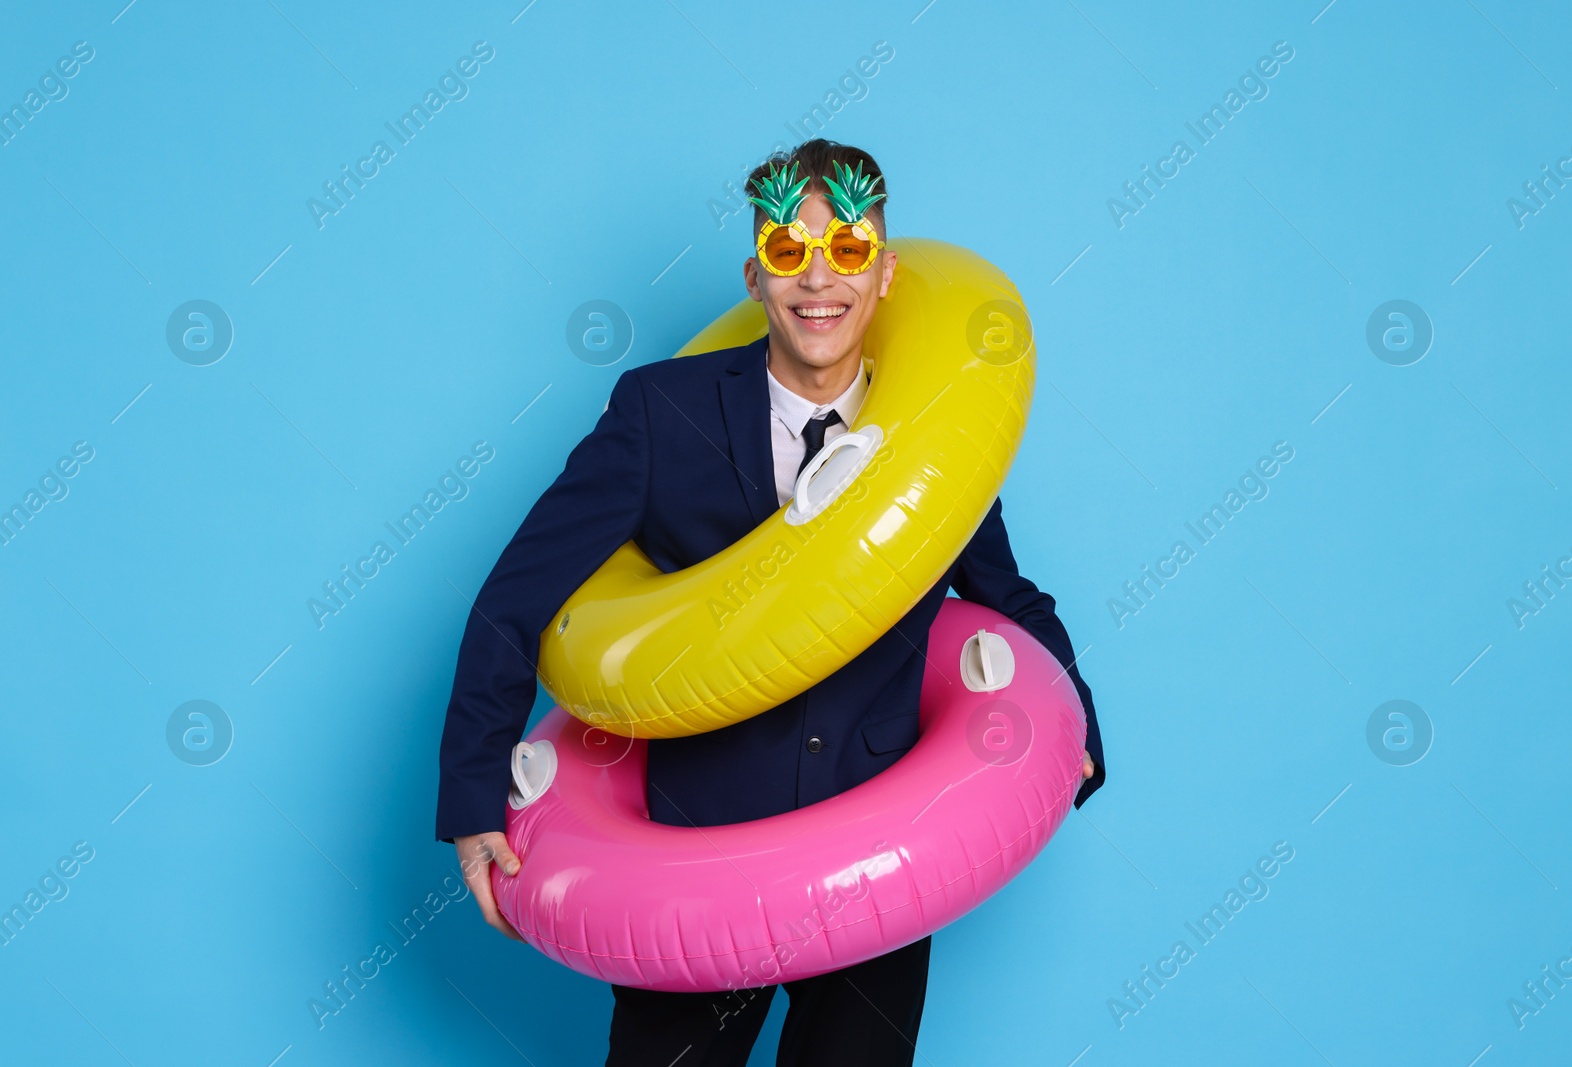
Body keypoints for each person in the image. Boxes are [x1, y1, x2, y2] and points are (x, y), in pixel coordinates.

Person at [435, 139, 1105, 1067]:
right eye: (790, 253)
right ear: (756, 274)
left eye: (848, 252)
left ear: (887, 273)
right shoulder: (658, 413)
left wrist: (1073, 718)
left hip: (876, 864)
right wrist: (473, 799)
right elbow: (515, 599)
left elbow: (1006, 596)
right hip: (699, 868)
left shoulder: (930, 443)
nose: (819, 280)